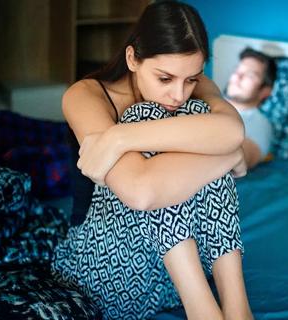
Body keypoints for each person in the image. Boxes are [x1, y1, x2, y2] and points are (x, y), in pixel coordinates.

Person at [51, 1, 253, 320]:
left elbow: (233, 130)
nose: (179, 94)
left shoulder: (193, 89)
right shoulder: (85, 94)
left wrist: (118, 138)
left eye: (191, 80)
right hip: (110, 271)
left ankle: (238, 309)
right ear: (133, 58)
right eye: (165, 78)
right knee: (147, 116)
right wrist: (227, 155)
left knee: (195, 120)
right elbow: (141, 190)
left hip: (176, 277)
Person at [225, 48, 276, 169]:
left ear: (265, 91)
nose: (238, 76)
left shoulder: (260, 124)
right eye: (237, 70)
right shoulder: (207, 98)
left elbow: (230, 161)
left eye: (250, 75)